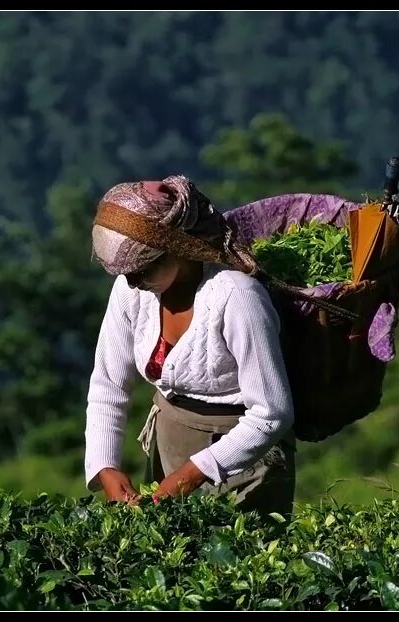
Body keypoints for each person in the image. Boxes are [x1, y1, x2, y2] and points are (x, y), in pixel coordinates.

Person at [84, 175, 297, 515]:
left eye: (144, 268)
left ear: (179, 248)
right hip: (168, 451)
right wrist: (104, 465)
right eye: (125, 273)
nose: (133, 281)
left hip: (244, 461)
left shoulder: (235, 298)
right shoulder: (132, 290)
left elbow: (272, 413)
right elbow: (108, 384)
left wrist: (194, 473)